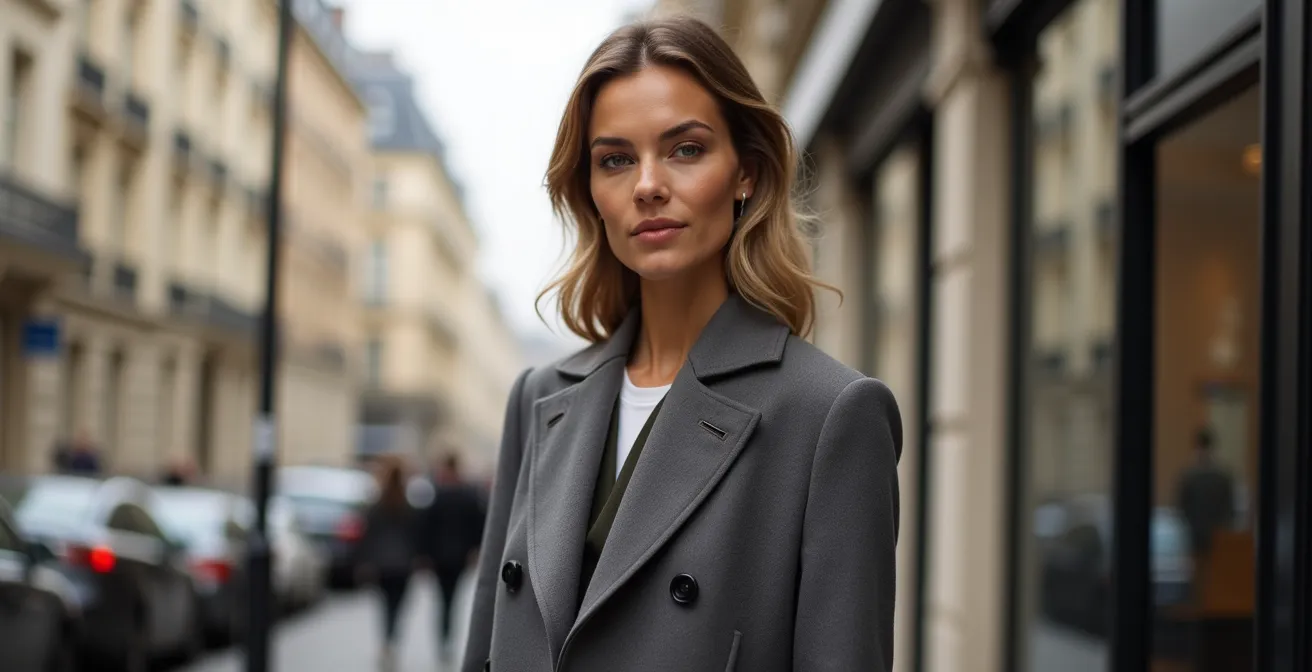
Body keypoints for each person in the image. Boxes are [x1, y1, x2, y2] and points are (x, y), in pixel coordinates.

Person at [462, 16, 902, 672]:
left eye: (685, 149)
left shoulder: (829, 416)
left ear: (746, 173)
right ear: (592, 193)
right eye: (615, 159)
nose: (647, 185)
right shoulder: (540, 400)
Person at [417, 451, 486, 662]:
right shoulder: (469, 494)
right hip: (456, 557)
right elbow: (479, 526)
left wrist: (425, 554)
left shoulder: (438, 494)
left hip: (442, 557)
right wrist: (475, 550)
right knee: (450, 600)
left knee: (445, 600)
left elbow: (426, 527)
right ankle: (447, 639)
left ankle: (445, 639)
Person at [357, 456, 421, 671]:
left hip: (382, 565)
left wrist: (365, 562)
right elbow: (416, 536)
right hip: (403, 565)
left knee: (385, 606)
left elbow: (367, 536)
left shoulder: (376, 505)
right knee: (398, 606)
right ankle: (392, 640)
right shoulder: (408, 505)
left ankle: (386, 642)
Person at [1175, 428, 1237, 559]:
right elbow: (1229, 507)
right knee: (1215, 569)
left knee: (1200, 570)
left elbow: (1181, 505)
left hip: (1198, 531)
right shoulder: (1223, 476)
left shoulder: (1189, 475)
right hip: (1216, 531)